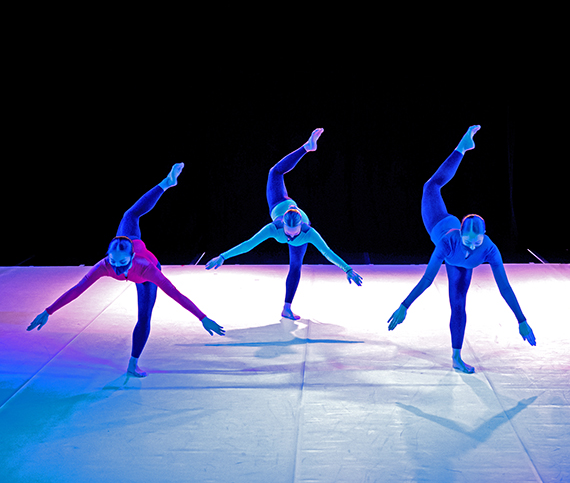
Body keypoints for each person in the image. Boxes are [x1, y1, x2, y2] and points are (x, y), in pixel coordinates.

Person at [27, 163, 225, 377]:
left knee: (144, 317)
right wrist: (48, 311)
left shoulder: (147, 270)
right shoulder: (105, 265)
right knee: (130, 215)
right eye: (113, 261)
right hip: (129, 240)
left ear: (131, 258)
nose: (116, 267)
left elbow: (175, 293)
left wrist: (202, 317)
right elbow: (78, 289)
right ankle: (166, 183)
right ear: (108, 255)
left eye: (122, 263)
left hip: (144, 275)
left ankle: (133, 363)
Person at [387, 125, 536, 373]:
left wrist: (522, 320)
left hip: (460, 262)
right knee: (430, 186)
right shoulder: (448, 243)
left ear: (484, 236)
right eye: (468, 240)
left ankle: (456, 357)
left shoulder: (489, 250)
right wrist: (405, 305)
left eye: (476, 241)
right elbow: (427, 279)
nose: (472, 245)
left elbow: (504, 287)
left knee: (458, 305)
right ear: (461, 235)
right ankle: (461, 148)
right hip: (439, 222)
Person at [206, 128, 362, 320]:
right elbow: (249, 244)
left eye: (293, 234)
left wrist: (347, 269)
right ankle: (307, 147)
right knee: (275, 172)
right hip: (281, 203)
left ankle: (286, 308)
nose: (289, 237)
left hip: (294, 215)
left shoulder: (307, 232)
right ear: (282, 226)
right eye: (288, 234)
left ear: (301, 228)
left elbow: (327, 252)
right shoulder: (275, 228)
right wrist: (222, 257)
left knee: (295, 265)